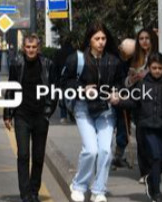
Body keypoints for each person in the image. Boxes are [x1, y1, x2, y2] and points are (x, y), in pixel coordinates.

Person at [61, 22, 124, 202]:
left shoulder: (113, 60)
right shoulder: (77, 59)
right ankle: (79, 185)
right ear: (89, 39)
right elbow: (64, 82)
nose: (101, 42)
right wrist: (81, 88)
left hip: (106, 110)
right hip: (83, 108)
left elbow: (120, 82)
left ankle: (99, 190)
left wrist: (116, 92)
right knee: (91, 150)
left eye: (103, 38)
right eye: (97, 38)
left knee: (105, 150)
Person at [111, 52, 162, 202]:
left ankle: (150, 180)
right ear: (149, 68)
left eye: (160, 68)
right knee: (156, 157)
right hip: (147, 126)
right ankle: (156, 192)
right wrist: (118, 101)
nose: (157, 71)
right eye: (154, 68)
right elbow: (133, 101)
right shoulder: (143, 83)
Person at [3, 34, 57, 202]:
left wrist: (48, 112)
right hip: (22, 115)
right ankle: (25, 194)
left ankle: (34, 191)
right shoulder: (16, 64)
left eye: (34, 47)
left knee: (39, 156)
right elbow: (10, 88)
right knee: (24, 155)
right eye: (28, 47)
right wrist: (7, 114)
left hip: (41, 116)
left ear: (38, 48)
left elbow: (54, 90)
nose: (31, 50)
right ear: (23, 48)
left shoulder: (47, 64)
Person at [126, 29, 159, 184]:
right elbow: (126, 83)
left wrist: (149, 74)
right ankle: (145, 172)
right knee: (141, 138)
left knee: (156, 139)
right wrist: (132, 79)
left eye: (147, 38)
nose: (144, 41)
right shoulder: (135, 59)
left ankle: (157, 171)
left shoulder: (160, 56)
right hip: (139, 103)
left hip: (156, 102)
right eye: (141, 39)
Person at [112, 38, 135, 169]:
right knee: (118, 126)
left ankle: (118, 155)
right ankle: (115, 156)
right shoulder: (116, 60)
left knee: (123, 126)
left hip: (126, 97)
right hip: (115, 96)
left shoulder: (132, 61)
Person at [53, 34, 77, 124]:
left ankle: (63, 117)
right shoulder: (75, 52)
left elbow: (55, 67)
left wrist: (55, 80)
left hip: (61, 79)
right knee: (72, 96)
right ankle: (72, 114)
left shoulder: (58, 52)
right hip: (73, 79)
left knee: (62, 98)